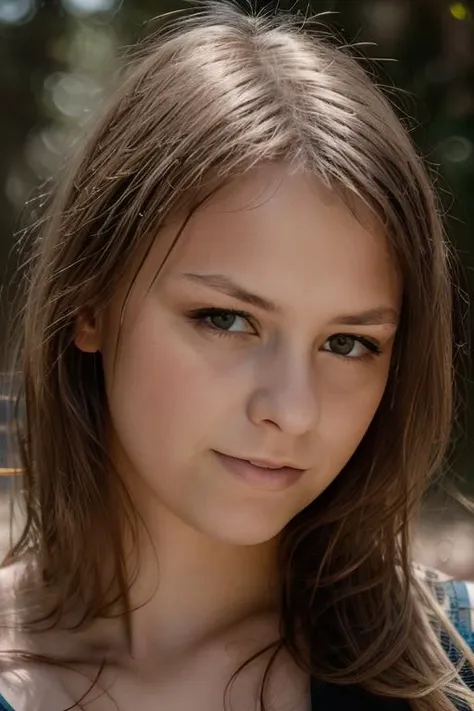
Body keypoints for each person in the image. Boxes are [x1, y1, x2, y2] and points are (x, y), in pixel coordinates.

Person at [0, 2, 472, 709]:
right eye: (226, 319)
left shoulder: (453, 669)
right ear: (89, 303)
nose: (291, 408)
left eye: (349, 343)